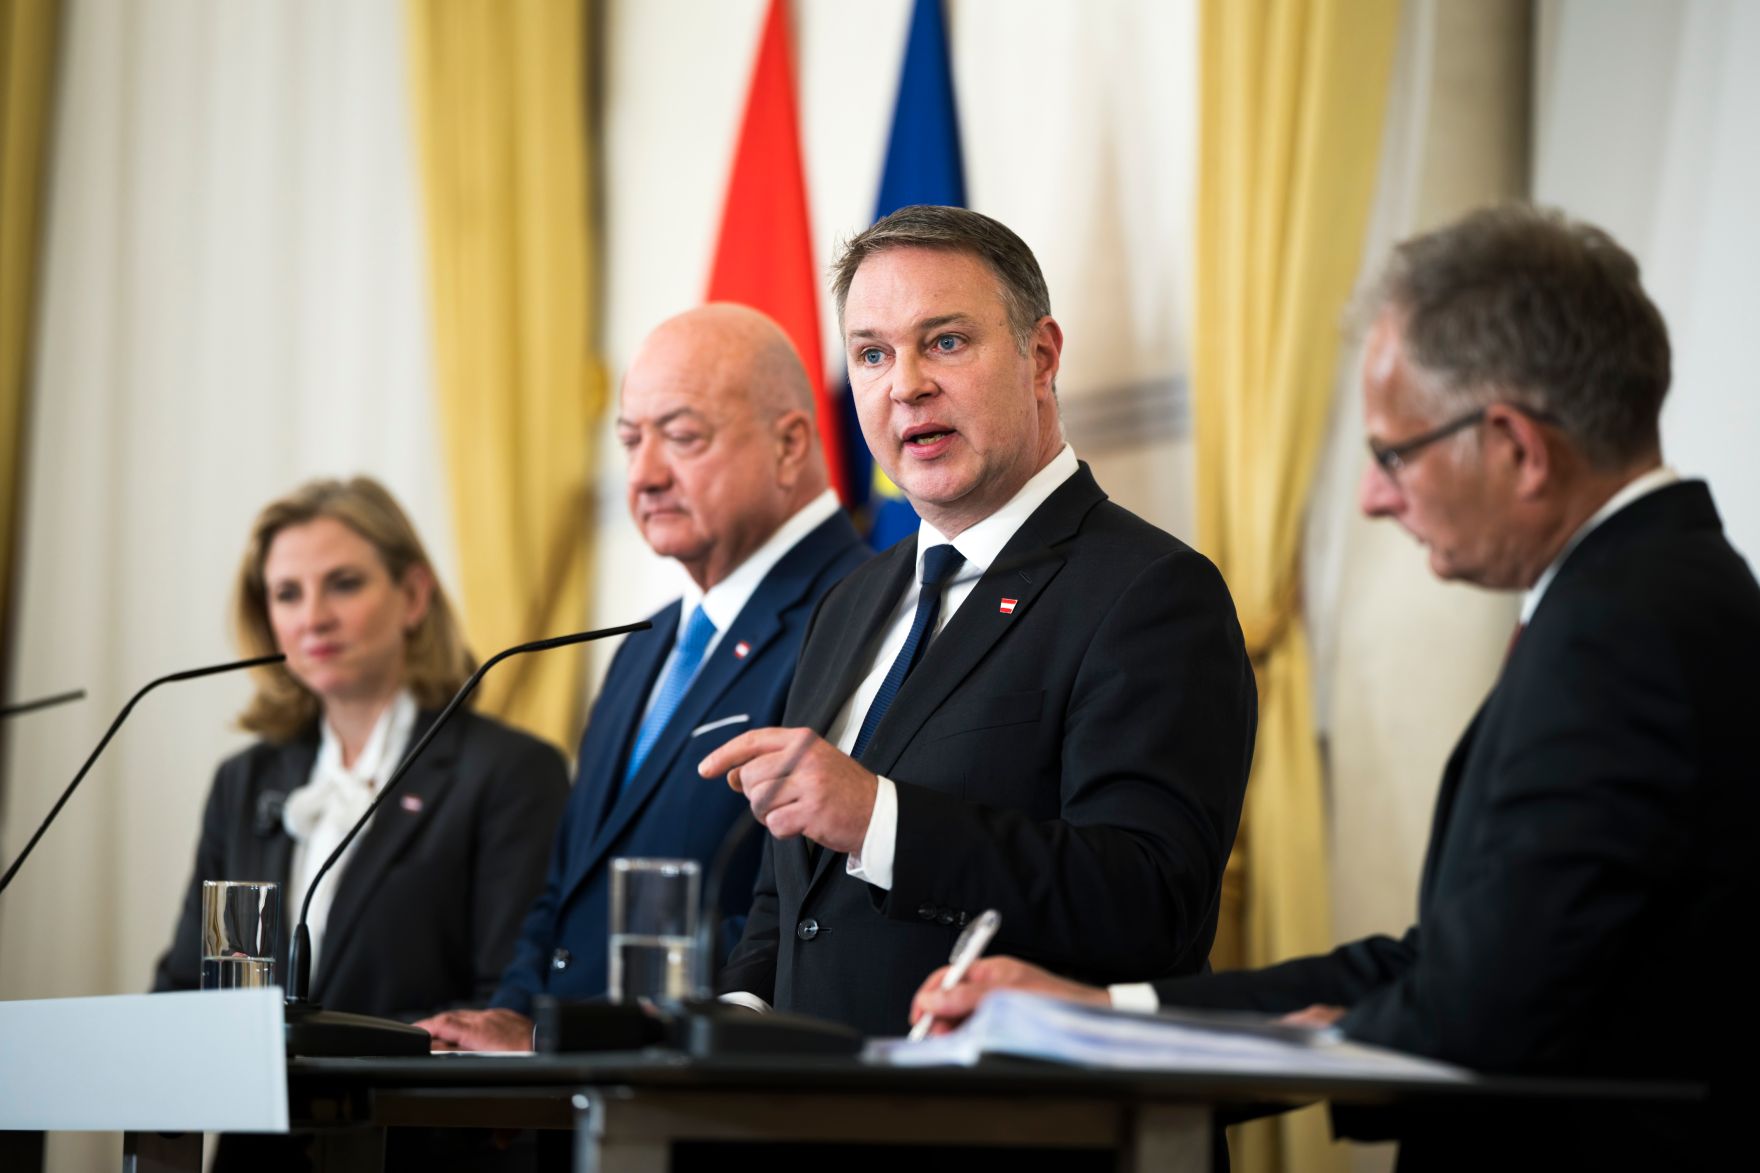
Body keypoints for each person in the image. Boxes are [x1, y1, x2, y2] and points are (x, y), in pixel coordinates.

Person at [911, 205, 1757, 1166]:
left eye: (1395, 453)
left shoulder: (1624, 634)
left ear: (1519, 449)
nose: (1374, 495)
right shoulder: (1655, 598)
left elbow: (1480, 1008)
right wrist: (1108, 1009)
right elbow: (1445, 961)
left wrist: (1247, 1039)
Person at [701, 205, 1257, 1039]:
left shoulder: (1152, 592)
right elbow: (793, 897)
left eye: (947, 341)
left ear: (1041, 356)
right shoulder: (850, 603)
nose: (906, 383)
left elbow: (1152, 900)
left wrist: (880, 818)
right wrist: (737, 1015)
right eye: (873, 353)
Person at [419, 303, 869, 1051]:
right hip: (565, 1094)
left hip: (707, 1091)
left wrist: (573, 1040)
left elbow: (804, 906)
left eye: (682, 437)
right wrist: (512, 1020)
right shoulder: (646, 642)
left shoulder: (857, 614)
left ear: (791, 443)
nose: (645, 474)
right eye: (631, 440)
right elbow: (566, 883)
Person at [154, 475, 569, 1016]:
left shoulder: (510, 773)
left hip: (413, 1101)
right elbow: (188, 991)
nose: (313, 618)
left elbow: (504, 1010)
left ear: (414, 596)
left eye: (344, 583)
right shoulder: (244, 782)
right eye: (287, 594)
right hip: (248, 1101)